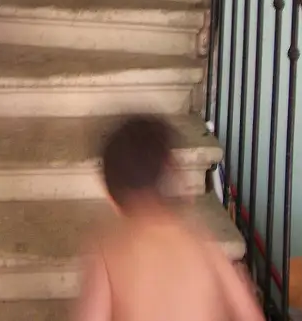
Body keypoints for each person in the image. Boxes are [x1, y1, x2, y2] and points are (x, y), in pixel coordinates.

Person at [72, 115, 265, 321]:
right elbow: (251, 316)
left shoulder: (109, 252)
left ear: (112, 198)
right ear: (172, 172)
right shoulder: (202, 244)